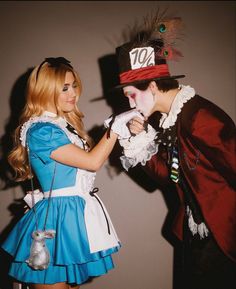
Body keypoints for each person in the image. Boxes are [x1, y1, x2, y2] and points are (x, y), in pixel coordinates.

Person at [113, 13, 236, 289]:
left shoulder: (199, 117)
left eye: (132, 94)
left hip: (223, 236)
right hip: (195, 233)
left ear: (153, 86)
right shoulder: (173, 119)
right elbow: (169, 175)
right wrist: (141, 138)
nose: (131, 103)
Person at [1, 57, 144, 289]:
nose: (73, 93)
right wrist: (116, 127)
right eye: (64, 88)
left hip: (71, 216)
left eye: (74, 85)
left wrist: (124, 129)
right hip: (58, 219)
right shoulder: (41, 130)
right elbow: (92, 162)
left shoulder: (60, 127)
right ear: (45, 90)